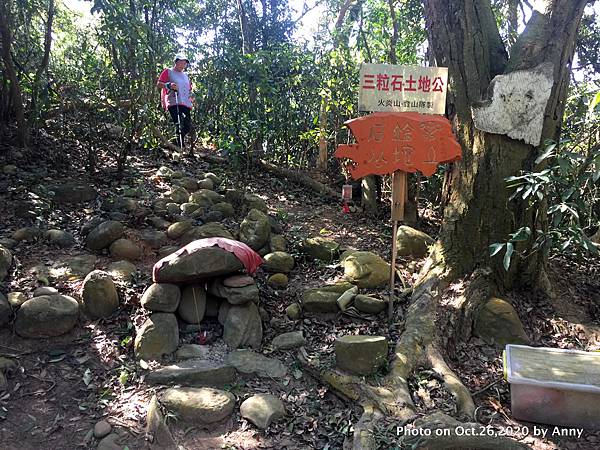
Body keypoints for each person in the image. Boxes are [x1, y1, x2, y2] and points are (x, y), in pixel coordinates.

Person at [157, 54, 193, 150]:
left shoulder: (186, 75)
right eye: (181, 62)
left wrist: (193, 99)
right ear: (176, 62)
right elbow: (159, 84)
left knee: (188, 125)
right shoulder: (168, 72)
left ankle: (177, 140)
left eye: (185, 62)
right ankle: (180, 146)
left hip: (186, 102)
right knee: (179, 123)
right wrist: (169, 85)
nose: (183, 64)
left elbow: (190, 88)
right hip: (174, 101)